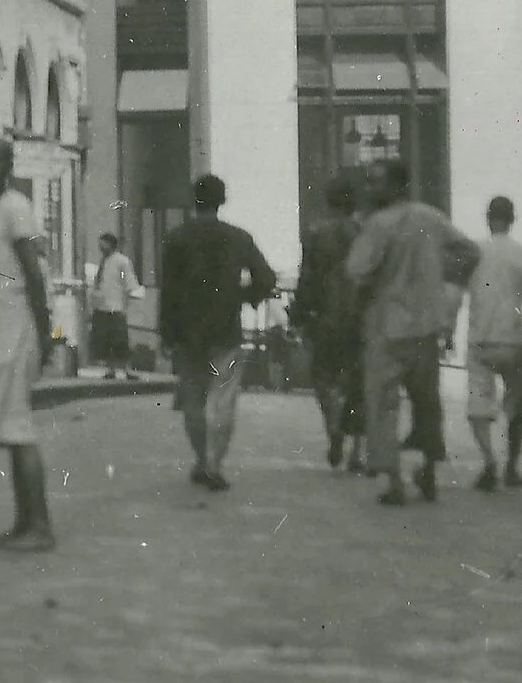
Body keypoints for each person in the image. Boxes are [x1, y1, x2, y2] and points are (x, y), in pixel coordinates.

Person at [345, 159, 481, 507]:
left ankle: (394, 482)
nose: (371, 188)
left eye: (377, 182)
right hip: (424, 326)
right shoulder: (430, 217)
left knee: (383, 403)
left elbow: (356, 271)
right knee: (427, 402)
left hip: (385, 326)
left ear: (395, 186)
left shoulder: (377, 225)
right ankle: (429, 472)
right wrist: (441, 276)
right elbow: (469, 251)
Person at [157, 175, 278, 494]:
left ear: (193, 200)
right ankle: (214, 464)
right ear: (222, 200)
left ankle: (201, 459)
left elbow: (167, 291)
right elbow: (266, 278)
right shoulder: (238, 238)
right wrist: (242, 296)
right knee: (222, 398)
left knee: (194, 398)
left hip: (187, 330)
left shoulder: (176, 238)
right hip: (226, 327)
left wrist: (166, 332)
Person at [0, 134, 55, 552]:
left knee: (18, 427)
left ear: (7, 167)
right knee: (9, 424)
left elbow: (33, 274)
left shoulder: (16, 208)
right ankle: (24, 523)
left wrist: (45, 330)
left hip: (15, 327)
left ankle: (39, 526)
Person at [463, 196, 522, 492]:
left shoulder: (472, 252)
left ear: (488, 218)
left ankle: (489, 461)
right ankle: (511, 467)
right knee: (516, 405)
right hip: (512, 340)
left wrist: (445, 329)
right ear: (512, 219)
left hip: (480, 339)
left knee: (478, 406)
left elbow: (453, 291)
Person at [294, 174, 369, 472]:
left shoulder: (315, 234)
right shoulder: (364, 233)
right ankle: (357, 452)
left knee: (323, 376)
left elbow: (307, 279)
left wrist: (300, 313)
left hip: (325, 316)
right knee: (357, 381)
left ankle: (334, 427)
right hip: (359, 316)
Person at [88, 234, 139, 380]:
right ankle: (110, 369)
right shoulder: (104, 262)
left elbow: (129, 282)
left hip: (116, 306)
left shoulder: (121, 262)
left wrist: (127, 304)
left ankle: (125, 369)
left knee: (120, 340)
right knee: (105, 339)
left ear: (111, 244)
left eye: (103, 244)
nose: (101, 247)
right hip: (102, 306)